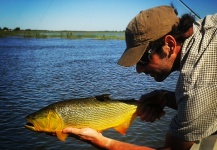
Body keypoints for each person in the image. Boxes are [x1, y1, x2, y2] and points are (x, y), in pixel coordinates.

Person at [63, 5, 217, 150]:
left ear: (169, 44)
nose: (138, 69)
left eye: (142, 60)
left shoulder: (198, 83)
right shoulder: (208, 26)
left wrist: (102, 142)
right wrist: (165, 98)